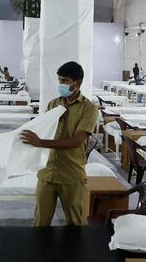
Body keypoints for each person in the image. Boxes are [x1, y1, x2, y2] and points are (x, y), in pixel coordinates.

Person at [20, 61, 97, 226]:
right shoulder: (54, 104)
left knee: (74, 224)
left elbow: (76, 141)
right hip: (47, 173)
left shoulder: (88, 109)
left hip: (71, 175)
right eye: (59, 80)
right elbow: (44, 130)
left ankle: (74, 252)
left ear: (77, 83)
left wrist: (41, 142)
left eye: (64, 81)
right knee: (40, 223)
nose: (60, 84)